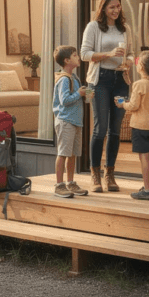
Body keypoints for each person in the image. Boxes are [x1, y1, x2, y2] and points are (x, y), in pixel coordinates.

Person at [81, 0, 132, 193]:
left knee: (115, 130)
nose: (116, 10)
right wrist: (108, 54)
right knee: (100, 128)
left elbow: (134, 54)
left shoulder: (125, 28)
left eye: (118, 6)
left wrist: (129, 61)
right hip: (99, 80)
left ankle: (109, 174)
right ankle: (94, 174)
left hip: (121, 80)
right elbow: (84, 54)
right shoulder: (93, 27)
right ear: (103, 8)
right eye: (112, 7)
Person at [116, 51, 149, 200]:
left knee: (143, 158)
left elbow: (134, 105)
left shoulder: (139, 84)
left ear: (141, 66)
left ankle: (147, 190)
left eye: (137, 61)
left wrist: (122, 104)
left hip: (140, 126)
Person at [51, 46, 89, 198]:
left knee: (72, 154)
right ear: (67, 60)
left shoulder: (75, 78)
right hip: (65, 121)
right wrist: (79, 94)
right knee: (63, 153)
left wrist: (86, 94)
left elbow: (77, 97)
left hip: (75, 122)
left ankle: (70, 182)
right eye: (75, 55)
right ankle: (59, 185)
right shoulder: (64, 79)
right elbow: (64, 100)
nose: (78, 57)